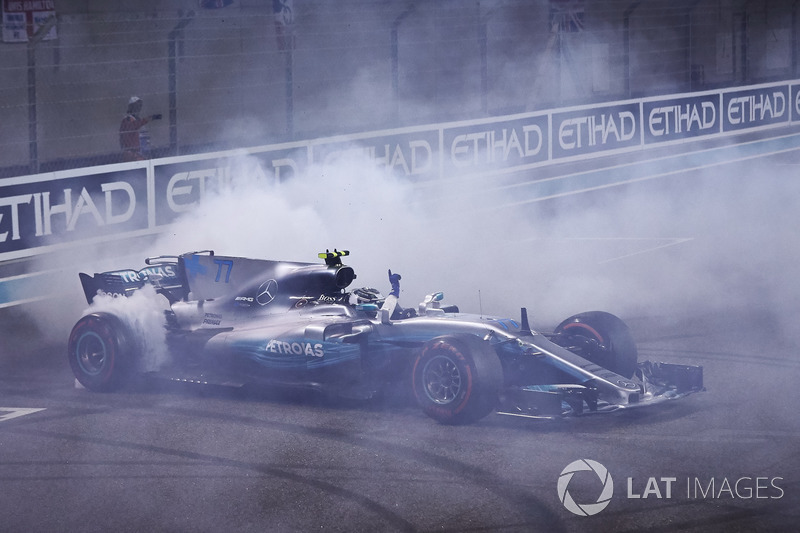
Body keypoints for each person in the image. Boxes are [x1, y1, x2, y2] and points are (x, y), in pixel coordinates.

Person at [119, 96, 161, 161]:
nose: (138, 108)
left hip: (140, 152)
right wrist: (149, 118)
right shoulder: (127, 120)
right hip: (132, 154)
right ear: (131, 107)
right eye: (136, 106)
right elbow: (134, 126)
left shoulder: (136, 120)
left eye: (139, 106)